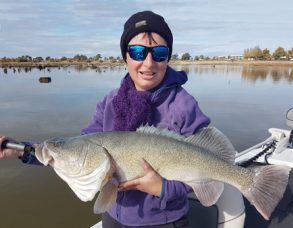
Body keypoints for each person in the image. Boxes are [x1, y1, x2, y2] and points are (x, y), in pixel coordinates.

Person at [0, 10, 210, 228]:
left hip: (165, 221)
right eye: (138, 52)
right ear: (125, 56)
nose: (148, 63)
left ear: (168, 56)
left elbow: (207, 168)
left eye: (158, 53)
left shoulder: (184, 106)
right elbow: (76, 152)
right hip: (113, 218)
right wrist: (21, 150)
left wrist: (164, 188)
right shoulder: (110, 103)